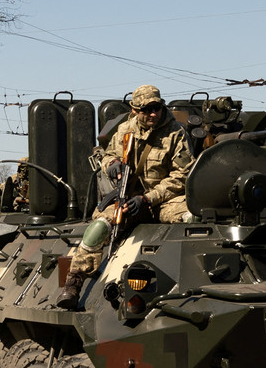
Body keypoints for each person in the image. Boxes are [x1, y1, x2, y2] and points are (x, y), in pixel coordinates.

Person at [57, 85, 193, 308]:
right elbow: (108, 154)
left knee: (192, 219)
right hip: (129, 199)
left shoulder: (176, 133)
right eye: (146, 109)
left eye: (157, 108)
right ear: (134, 109)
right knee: (98, 228)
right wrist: (111, 163)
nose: (153, 114)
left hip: (164, 200)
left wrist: (149, 198)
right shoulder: (124, 131)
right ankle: (73, 283)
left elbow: (183, 175)